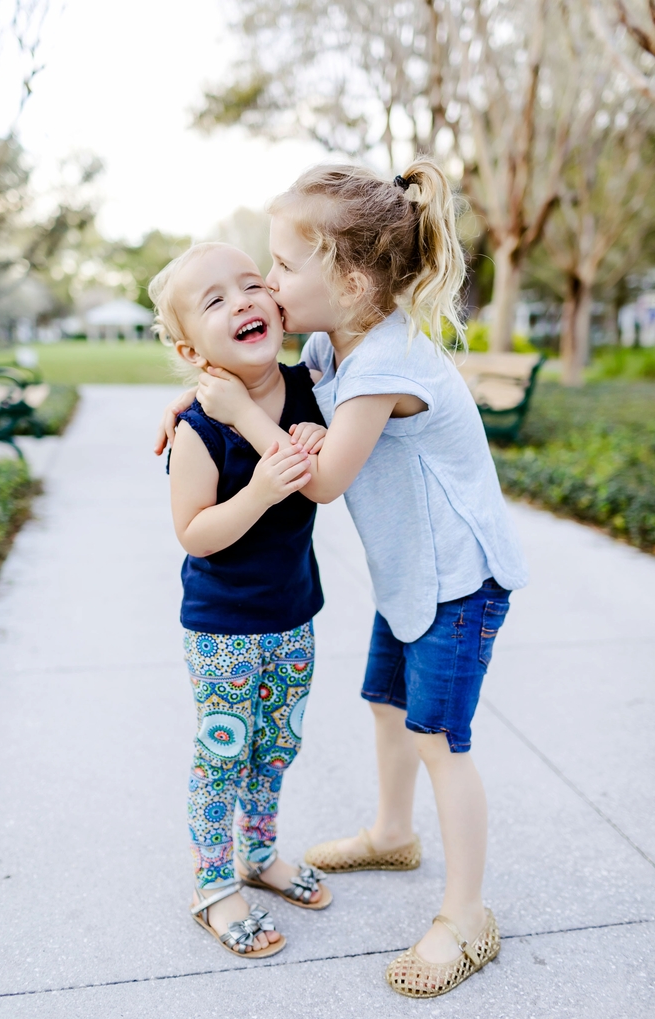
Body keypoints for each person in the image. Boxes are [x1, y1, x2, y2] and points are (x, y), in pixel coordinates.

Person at [155, 159, 527, 996]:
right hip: (413, 576)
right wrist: (193, 402)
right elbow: (274, 392)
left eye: (282, 267)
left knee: (440, 739)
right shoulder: (334, 343)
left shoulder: (382, 366)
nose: (272, 286)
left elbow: (317, 480)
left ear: (351, 278)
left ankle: (466, 916)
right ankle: (395, 831)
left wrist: (235, 413)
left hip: (459, 582)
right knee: (386, 702)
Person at [150, 241, 332, 959]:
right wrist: (259, 489)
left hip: (294, 612)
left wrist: (315, 431)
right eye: (215, 299)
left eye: (251, 285)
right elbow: (194, 534)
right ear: (191, 347)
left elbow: (325, 452)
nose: (243, 302)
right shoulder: (198, 429)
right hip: (224, 628)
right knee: (222, 754)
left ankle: (260, 852)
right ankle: (214, 883)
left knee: (276, 746)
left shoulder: (309, 384)